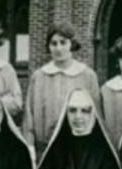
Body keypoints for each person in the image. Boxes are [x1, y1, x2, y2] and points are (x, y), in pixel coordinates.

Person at [24, 23, 101, 154]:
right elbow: (28, 116)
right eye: (54, 43)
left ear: (72, 44)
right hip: (45, 150)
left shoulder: (87, 76)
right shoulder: (39, 77)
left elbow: (96, 116)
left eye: (63, 42)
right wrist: (30, 148)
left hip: (78, 149)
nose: (58, 48)